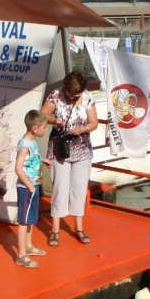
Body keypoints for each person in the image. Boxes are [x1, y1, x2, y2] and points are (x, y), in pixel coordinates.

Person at [40, 71, 98, 247]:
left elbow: (94, 122)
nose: (72, 97)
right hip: (60, 149)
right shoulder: (56, 95)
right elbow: (41, 115)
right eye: (70, 93)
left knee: (79, 189)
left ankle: (79, 227)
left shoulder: (87, 97)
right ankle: (55, 230)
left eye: (76, 94)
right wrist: (54, 120)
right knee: (60, 189)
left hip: (82, 148)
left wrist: (83, 129)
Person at [13, 110, 51, 268]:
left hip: (34, 185)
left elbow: (33, 159)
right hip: (27, 187)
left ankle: (28, 246)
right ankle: (21, 254)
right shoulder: (25, 146)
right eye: (44, 127)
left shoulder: (33, 142)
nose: (46, 129)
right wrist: (29, 186)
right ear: (35, 128)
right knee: (24, 221)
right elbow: (18, 168)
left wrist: (43, 160)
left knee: (31, 218)